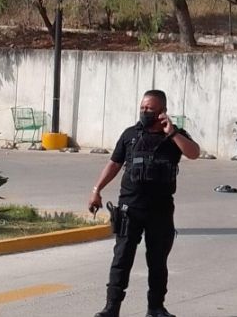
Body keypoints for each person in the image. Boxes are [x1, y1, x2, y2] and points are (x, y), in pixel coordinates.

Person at [88, 90, 200, 317]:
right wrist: (96, 190)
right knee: (121, 259)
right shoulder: (130, 135)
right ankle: (111, 309)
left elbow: (194, 153)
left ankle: (156, 308)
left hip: (160, 210)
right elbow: (114, 164)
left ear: (162, 111)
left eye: (150, 108)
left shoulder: (175, 137)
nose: (145, 112)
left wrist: (173, 133)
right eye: (142, 108)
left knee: (158, 262)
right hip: (131, 208)